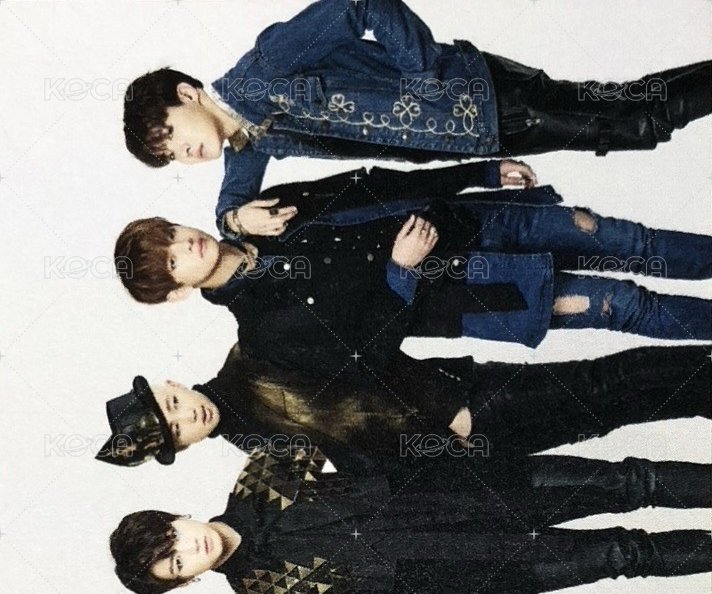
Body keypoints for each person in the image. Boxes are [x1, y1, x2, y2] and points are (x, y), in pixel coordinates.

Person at [120, 0, 711, 234]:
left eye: (172, 134)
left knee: (637, 121)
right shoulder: (251, 141)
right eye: (172, 156)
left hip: (483, 93)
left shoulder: (264, 66)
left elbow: (360, 3)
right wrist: (235, 220)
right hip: (484, 132)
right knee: (630, 109)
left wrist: (425, 76)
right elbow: (230, 207)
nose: (185, 153)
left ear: (188, 93)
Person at [107, 448, 711, 594]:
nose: (190, 550)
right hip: (473, 569)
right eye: (175, 564)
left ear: (178, 515)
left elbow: (359, 434)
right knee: (627, 554)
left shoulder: (261, 473)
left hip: (474, 489)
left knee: (629, 481)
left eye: (174, 538)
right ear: (184, 581)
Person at [114, 185, 712, 349]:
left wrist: (231, 212)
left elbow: (247, 135)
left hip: (472, 222)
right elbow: (368, 344)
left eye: (175, 234)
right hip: (481, 293)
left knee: (631, 239)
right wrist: (401, 270)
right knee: (627, 304)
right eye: (172, 259)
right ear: (176, 292)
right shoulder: (263, 326)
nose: (187, 245)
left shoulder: (257, 214)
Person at [96, 341, 712, 474]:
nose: (187, 417)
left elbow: (367, 352)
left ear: (173, 382)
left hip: (459, 402)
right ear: (182, 448)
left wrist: (448, 408)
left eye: (173, 404)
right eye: (175, 431)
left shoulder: (254, 352)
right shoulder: (262, 459)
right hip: (463, 451)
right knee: (605, 416)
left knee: (600, 381)